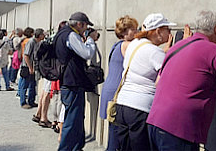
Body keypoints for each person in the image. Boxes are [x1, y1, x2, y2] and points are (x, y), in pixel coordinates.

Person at [146, 10, 216, 151]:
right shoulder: (214, 51)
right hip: (180, 129)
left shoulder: (176, 47)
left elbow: (158, 82)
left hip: (155, 123)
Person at [115, 13, 175, 151]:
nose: (170, 33)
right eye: (168, 29)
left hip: (123, 104)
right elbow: (168, 77)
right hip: (140, 109)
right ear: (158, 31)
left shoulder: (134, 44)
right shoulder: (155, 52)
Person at [54, 12, 98, 151]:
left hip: (68, 81)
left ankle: (77, 147)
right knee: (72, 120)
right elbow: (87, 53)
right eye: (85, 26)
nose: (85, 29)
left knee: (77, 118)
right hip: (72, 82)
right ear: (79, 24)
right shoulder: (71, 35)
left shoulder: (62, 33)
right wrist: (90, 40)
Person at [99, 15, 138, 151]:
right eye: (134, 29)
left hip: (110, 89)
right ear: (125, 31)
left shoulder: (117, 45)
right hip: (117, 93)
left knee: (113, 133)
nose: (137, 32)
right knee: (117, 137)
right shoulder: (128, 45)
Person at [20, 28, 44, 109]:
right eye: (43, 34)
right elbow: (26, 56)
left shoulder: (38, 43)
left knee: (32, 85)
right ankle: (23, 102)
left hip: (34, 67)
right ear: (40, 35)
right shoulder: (31, 42)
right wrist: (30, 68)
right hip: (27, 67)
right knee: (25, 85)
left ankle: (31, 101)